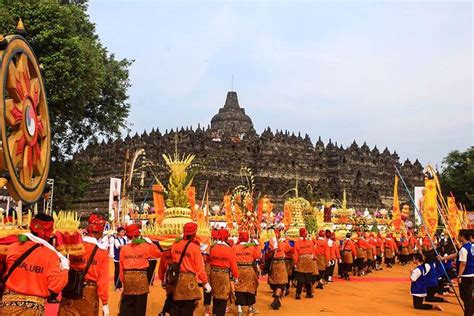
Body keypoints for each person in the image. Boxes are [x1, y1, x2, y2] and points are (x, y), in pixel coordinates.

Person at [0, 213, 69, 315]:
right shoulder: (51, 255)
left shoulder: (13, 247)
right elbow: (55, 286)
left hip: (8, 307)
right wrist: (65, 268)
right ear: (50, 232)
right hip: (33, 310)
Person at [59, 214, 110, 316]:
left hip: (71, 289)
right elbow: (103, 280)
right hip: (89, 295)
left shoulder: (74, 247)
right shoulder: (102, 253)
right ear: (100, 232)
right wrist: (105, 303)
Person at [119, 224, 162, 316]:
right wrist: (150, 243)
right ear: (137, 235)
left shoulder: (124, 248)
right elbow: (158, 254)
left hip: (128, 279)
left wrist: (123, 281)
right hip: (141, 279)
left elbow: (121, 267)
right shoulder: (145, 246)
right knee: (140, 307)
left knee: (126, 307)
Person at [171, 222, 211, 316]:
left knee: (177, 308)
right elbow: (200, 268)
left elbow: (173, 260)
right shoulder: (195, 247)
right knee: (187, 310)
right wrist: (205, 282)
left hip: (176, 281)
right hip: (189, 282)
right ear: (194, 233)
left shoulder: (175, 245)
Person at [440, 229, 474, 316]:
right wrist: (443, 258)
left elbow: (463, 263)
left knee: (466, 297)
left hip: (465, 276)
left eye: (459, 235)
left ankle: (469, 313)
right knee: (469, 296)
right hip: (472, 274)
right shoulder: (471, 246)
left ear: (462, 236)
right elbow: (456, 255)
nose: (458, 237)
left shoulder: (464, 249)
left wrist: (459, 276)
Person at [208, 228, 239, 316]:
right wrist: (236, 276)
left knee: (215, 295)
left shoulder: (212, 248)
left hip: (213, 274)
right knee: (223, 296)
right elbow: (233, 265)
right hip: (224, 274)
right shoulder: (229, 249)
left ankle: (215, 313)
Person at [233, 231, 261, 316]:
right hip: (249, 269)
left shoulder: (235, 247)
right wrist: (256, 246)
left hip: (238, 270)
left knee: (238, 288)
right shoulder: (251, 247)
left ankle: (239, 309)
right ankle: (250, 308)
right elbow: (258, 256)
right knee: (251, 288)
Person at [268, 227, 291, 310]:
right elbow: (288, 249)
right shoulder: (283, 242)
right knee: (281, 282)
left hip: (273, 263)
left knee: (274, 281)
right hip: (281, 263)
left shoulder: (271, 241)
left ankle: (276, 297)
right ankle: (277, 298)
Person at [293, 227, 315, 299]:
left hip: (301, 259)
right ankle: (309, 293)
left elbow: (295, 253)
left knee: (301, 277)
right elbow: (313, 251)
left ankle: (298, 294)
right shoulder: (310, 242)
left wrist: (295, 263)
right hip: (309, 260)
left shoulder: (297, 242)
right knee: (308, 276)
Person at [157, 248, 174, 316]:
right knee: (173, 295)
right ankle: (166, 310)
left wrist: (162, 279)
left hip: (168, 276)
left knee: (170, 294)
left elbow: (161, 267)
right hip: (178, 275)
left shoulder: (165, 252)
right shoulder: (182, 250)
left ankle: (164, 311)